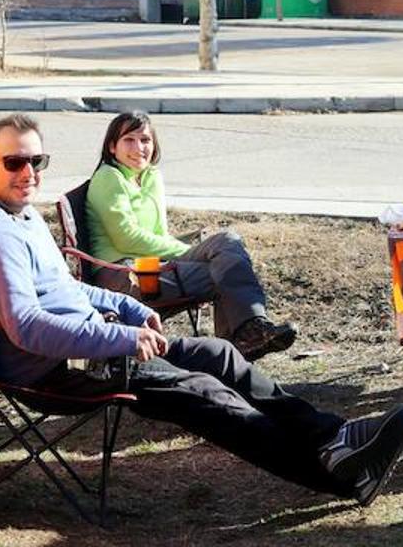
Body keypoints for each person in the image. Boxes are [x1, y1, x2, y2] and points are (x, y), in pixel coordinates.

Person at [0, 114, 403, 506]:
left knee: (219, 355)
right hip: (60, 372)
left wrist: (127, 308)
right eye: (15, 162)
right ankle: (338, 474)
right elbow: (26, 326)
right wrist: (125, 339)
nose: (28, 172)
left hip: (96, 345)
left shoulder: (18, 214)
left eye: (37, 161)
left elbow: (69, 289)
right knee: (206, 393)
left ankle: (335, 436)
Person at [86, 110, 296, 361]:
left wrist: (181, 252)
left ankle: (250, 328)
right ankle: (239, 346)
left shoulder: (150, 177)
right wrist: (183, 253)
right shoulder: (109, 177)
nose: (138, 147)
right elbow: (127, 239)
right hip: (125, 275)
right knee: (222, 273)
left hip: (149, 265)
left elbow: (158, 233)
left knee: (227, 241)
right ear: (112, 147)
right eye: (129, 140)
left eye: (145, 140)